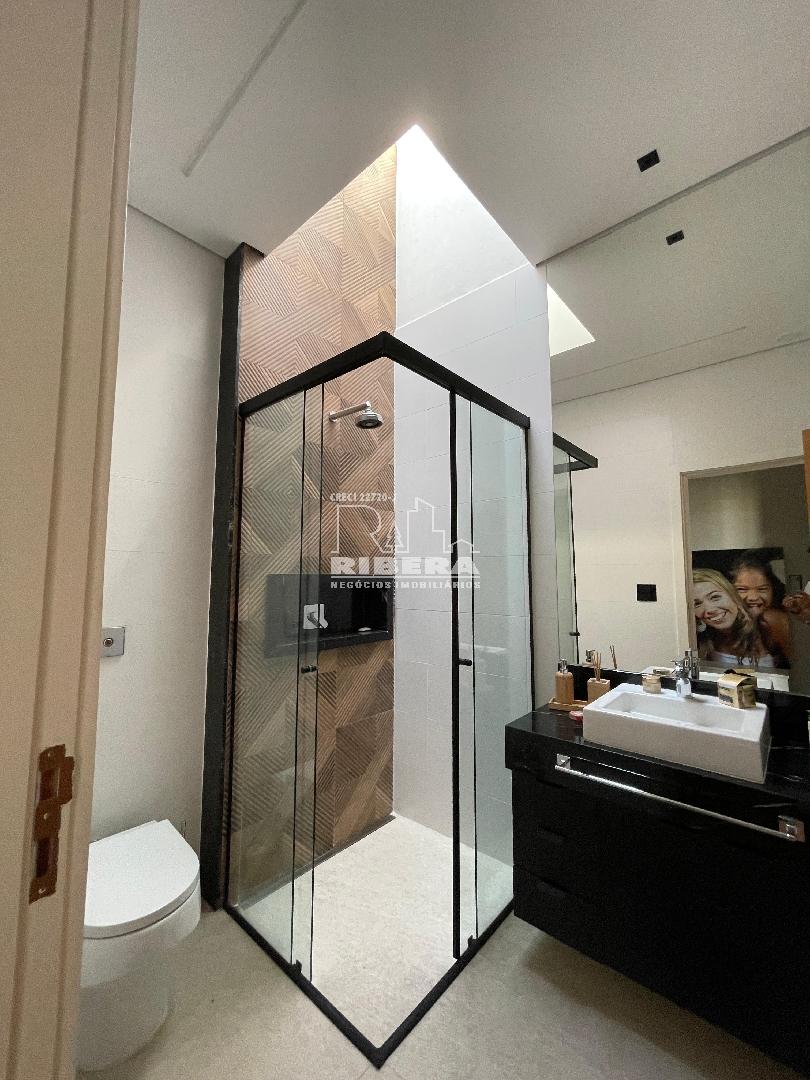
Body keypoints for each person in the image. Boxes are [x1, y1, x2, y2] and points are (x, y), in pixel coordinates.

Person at [692, 568, 780, 668]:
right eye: (697, 604)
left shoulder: (768, 624)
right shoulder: (698, 641)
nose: (710, 609)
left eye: (715, 597)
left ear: (732, 594)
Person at [728, 551, 792, 666]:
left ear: (773, 589)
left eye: (762, 589)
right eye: (742, 589)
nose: (753, 597)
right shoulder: (718, 621)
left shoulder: (774, 620)